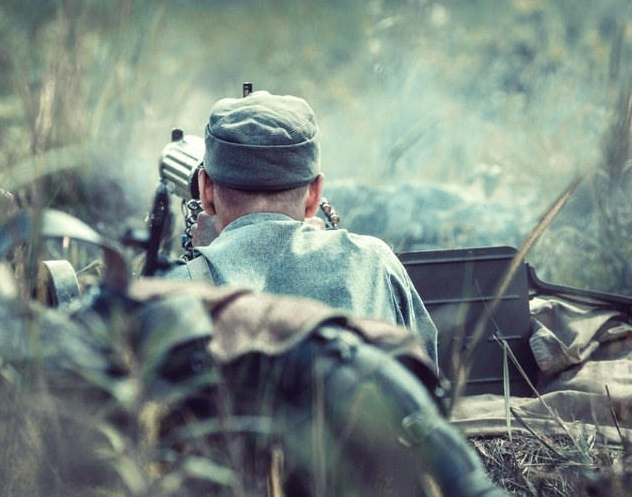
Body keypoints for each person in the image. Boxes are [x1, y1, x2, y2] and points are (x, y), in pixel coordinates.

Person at [163, 89, 438, 363]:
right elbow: (426, 370)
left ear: (205, 191)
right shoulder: (375, 262)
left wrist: (206, 258)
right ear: (314, 195)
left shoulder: (174, 291)